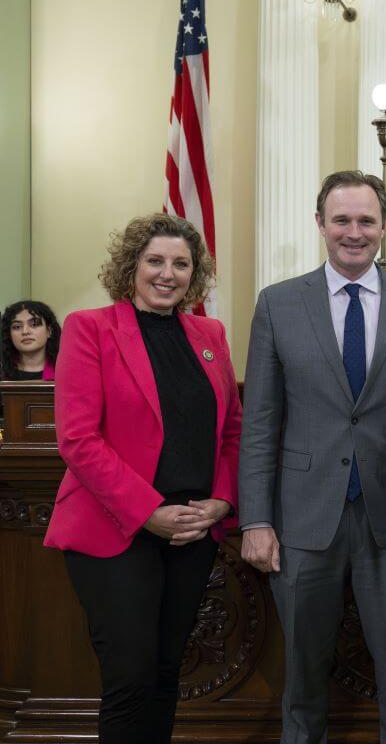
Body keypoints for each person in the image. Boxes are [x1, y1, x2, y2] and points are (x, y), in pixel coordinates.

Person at [238, 170, 386, 744]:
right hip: (302, 520)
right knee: (302, 677)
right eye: (341, 221)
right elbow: (259, 421)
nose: (354, 233)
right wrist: (255, 519)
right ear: (320, 225)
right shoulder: (279, 304)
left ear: (383, 226)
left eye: (366, 221)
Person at [43, 213, 241, 742]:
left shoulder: (210, 334)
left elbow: (232, 432)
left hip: (193, 531)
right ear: (131, 266)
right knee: (129, 678)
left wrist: (222, 499)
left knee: (163, 674)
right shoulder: (89, 328)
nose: (167, 274)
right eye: (155, 261)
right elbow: (79, 440)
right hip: (116, 529)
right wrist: (148, 512)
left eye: (181, 263)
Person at [2, 300, 61, 380]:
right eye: (17, 327)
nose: (25, 332)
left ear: (49, 331)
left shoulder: (64, 371)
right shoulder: (2, 372)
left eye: (34, 324)